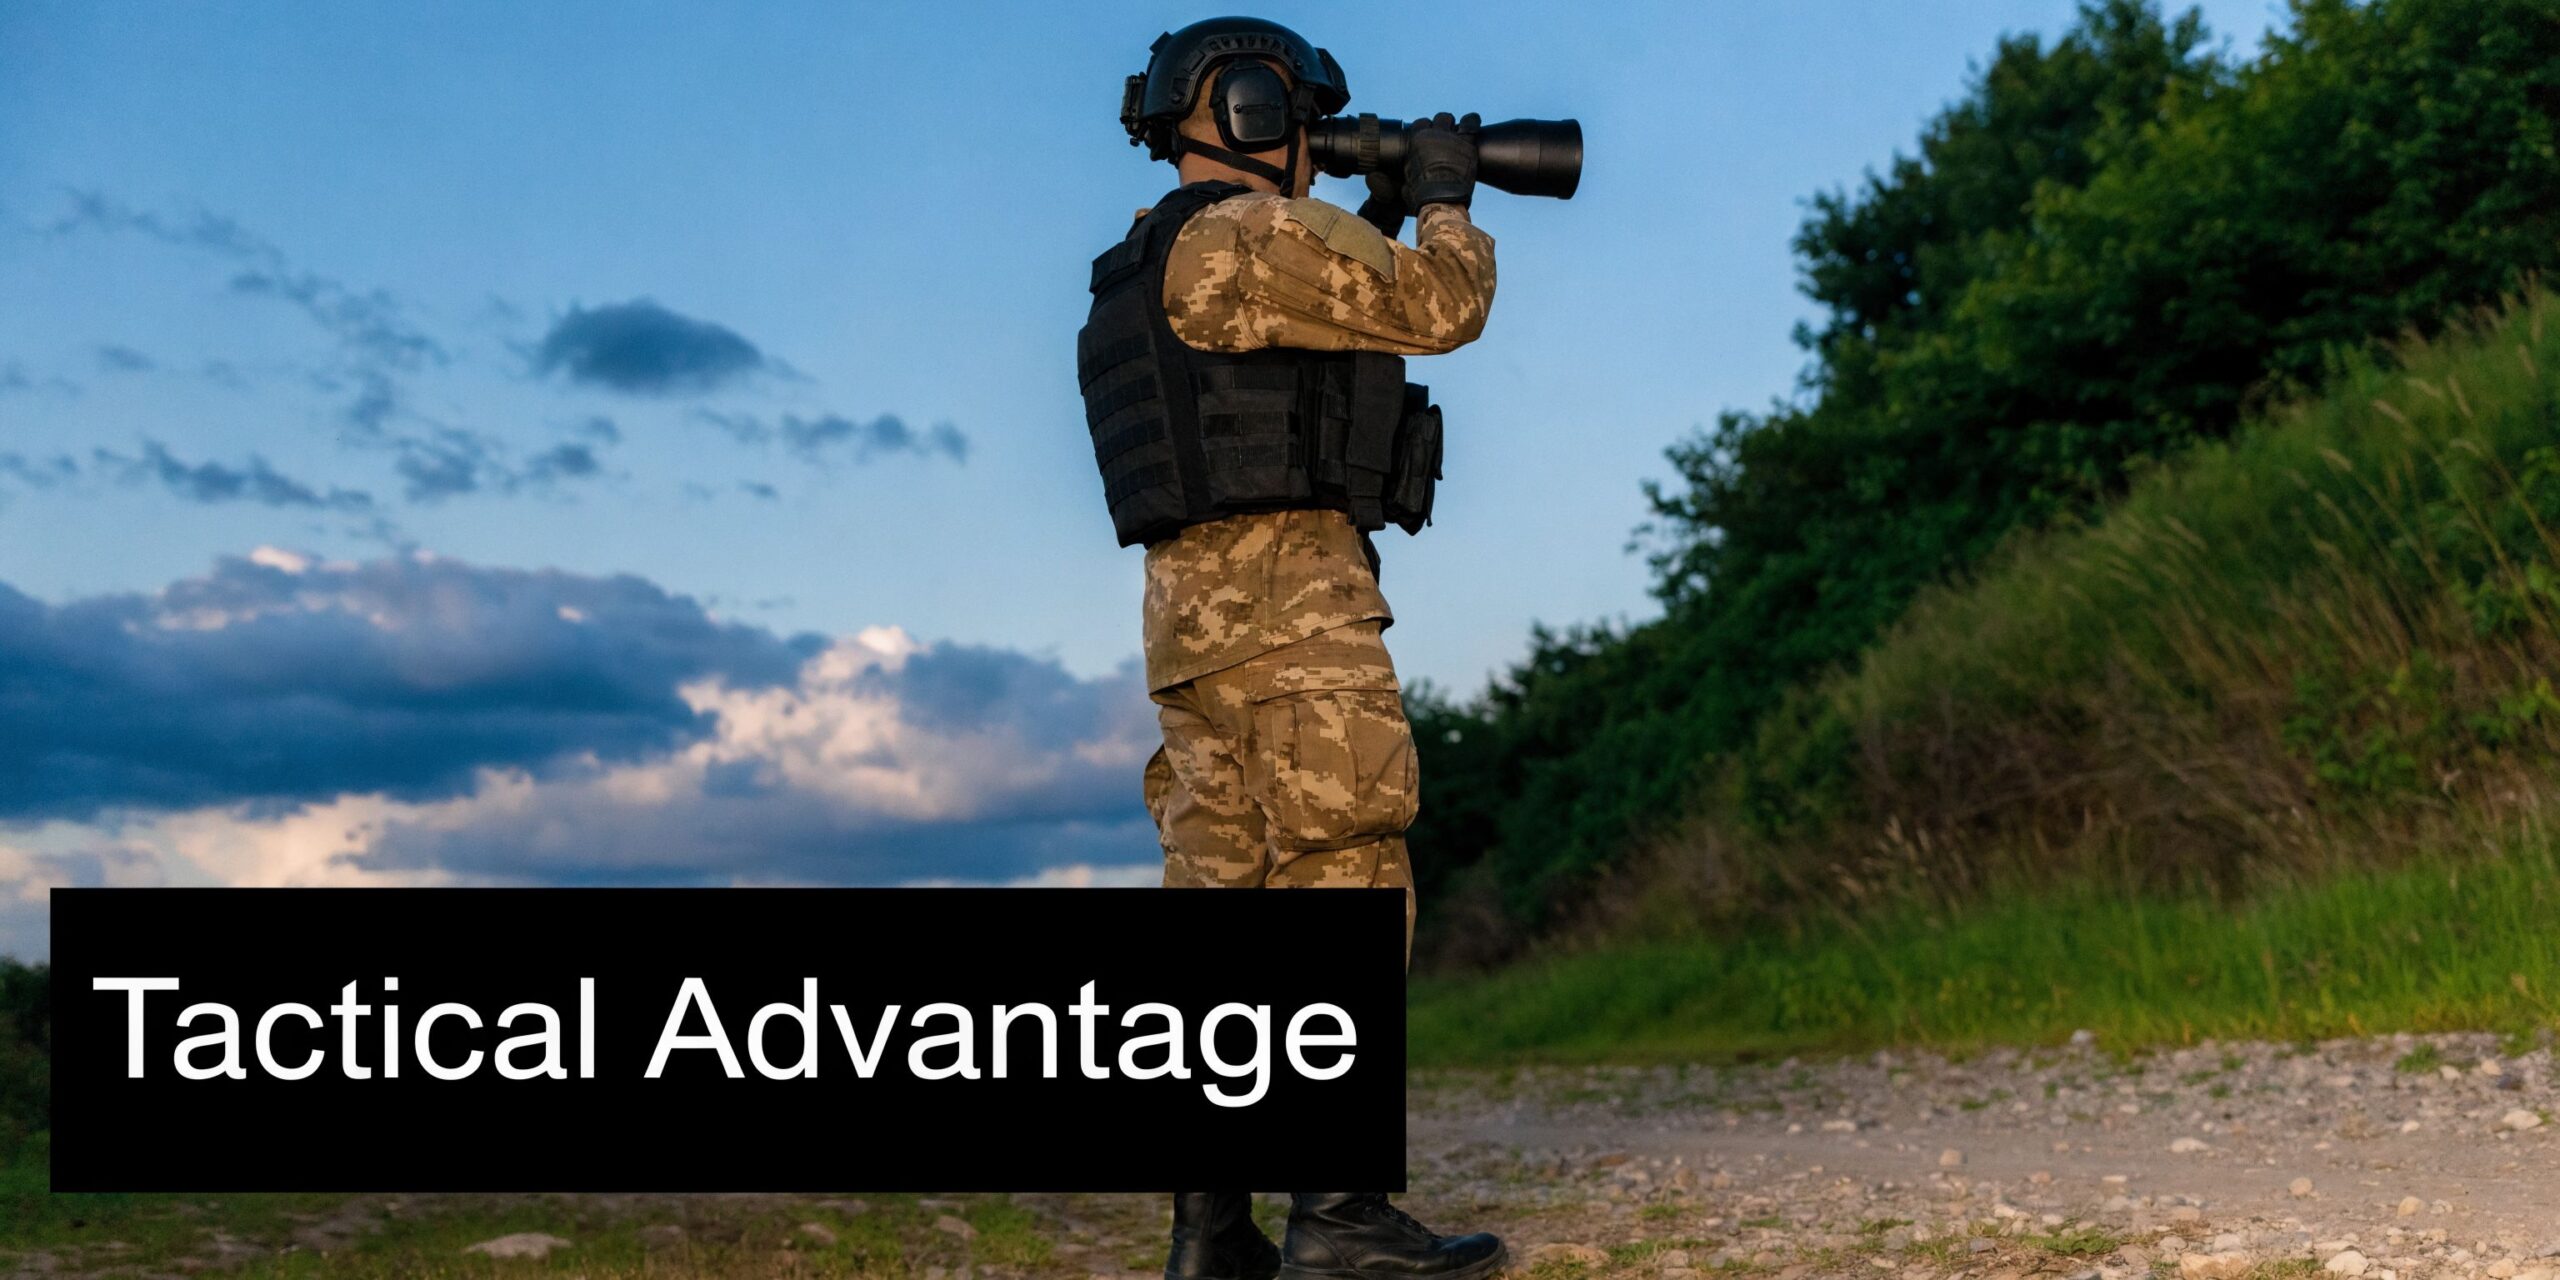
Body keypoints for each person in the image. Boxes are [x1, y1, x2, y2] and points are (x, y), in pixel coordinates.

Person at [1075, 16, 1506, 1280]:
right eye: (1305, 120)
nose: (1314, 144)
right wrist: (1438, 198)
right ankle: (1339, 1215)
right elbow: (1442, 308)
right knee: (1344, 884)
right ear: (1256, 108)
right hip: (1295, 621)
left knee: (1217, 922)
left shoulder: (1138, 266)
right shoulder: (1256, 234)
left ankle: (1209, 1234)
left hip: (1190, 636)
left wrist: (1356, 202)